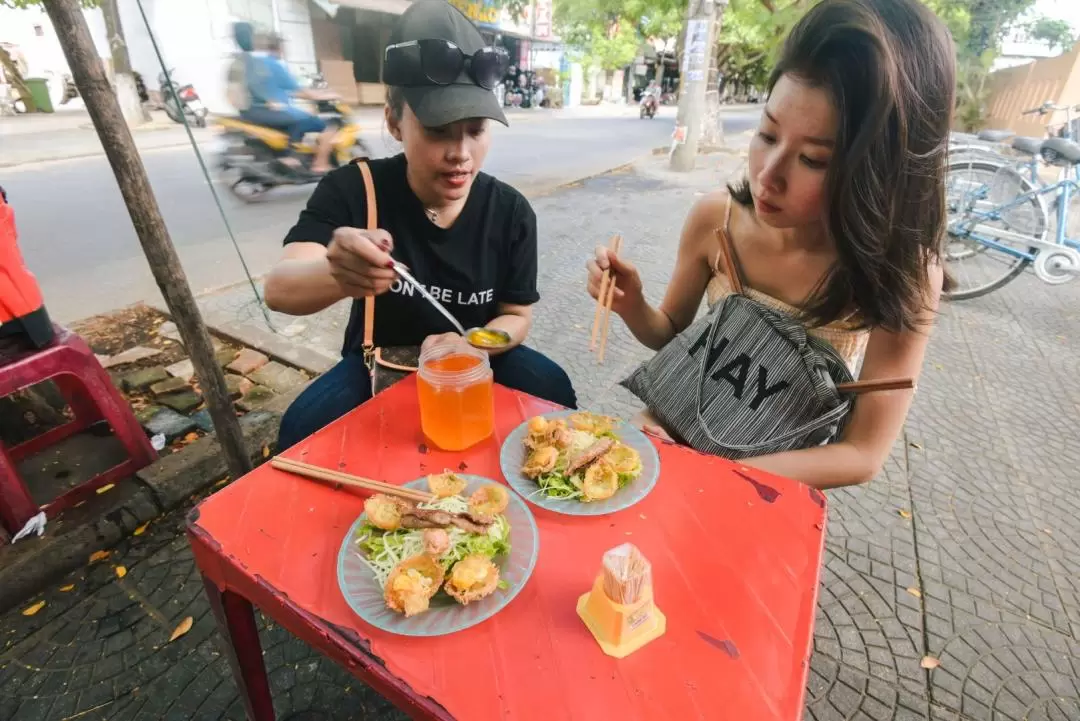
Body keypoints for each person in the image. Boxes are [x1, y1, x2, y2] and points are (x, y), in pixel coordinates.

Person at [586, 0, 953, 490]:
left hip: (766, 484)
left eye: (814, 159)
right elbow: (669, 333)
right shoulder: (716, 219)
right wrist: (633, 307)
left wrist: (718, 475)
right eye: (767, 133)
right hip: (661, 440)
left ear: (880, 173)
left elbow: (863, 452)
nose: (768, 174)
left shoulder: (900, 273)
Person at [267, 0, 577, 450]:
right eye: (438, 130)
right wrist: (336, 273)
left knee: (553, 389)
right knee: (303, 427)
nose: (461, 153)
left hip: (476, 357)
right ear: (394, 121)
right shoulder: (357, 189)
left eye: (475, 129)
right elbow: (279, 289)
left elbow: (516, 315)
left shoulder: (510, 211)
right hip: (378, 364)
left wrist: (476, 344)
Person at [229, 23, 337, 175]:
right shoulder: (271, 64)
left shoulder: (244, 61)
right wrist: (325, 95)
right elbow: (299, 91)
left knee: (299, 117)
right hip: (267, 111)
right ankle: (318, 164)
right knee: (324, 124)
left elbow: (289, 91)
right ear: (278, 48)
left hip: (251, 111)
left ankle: (293, 155)